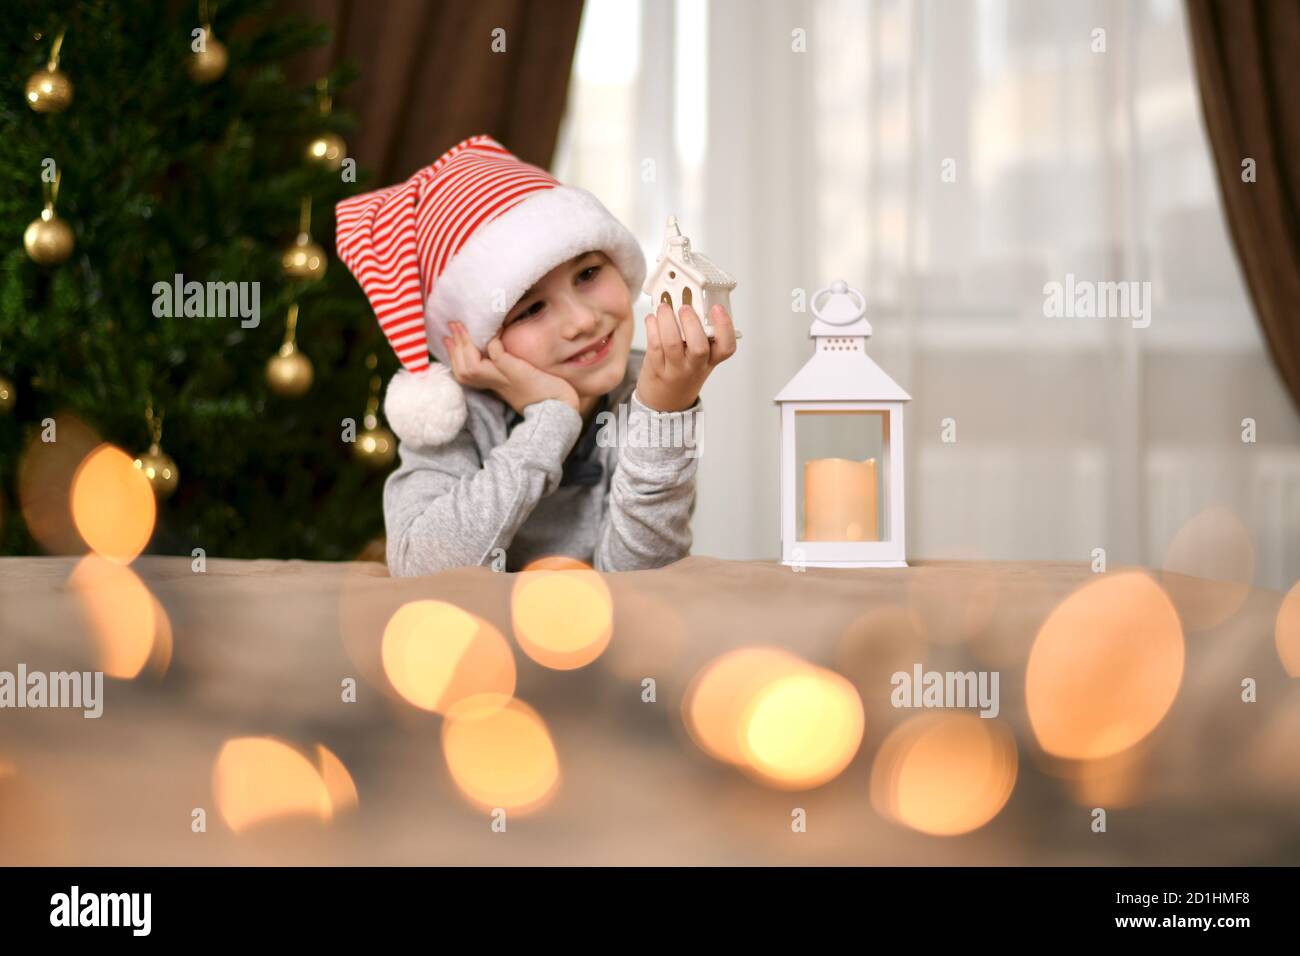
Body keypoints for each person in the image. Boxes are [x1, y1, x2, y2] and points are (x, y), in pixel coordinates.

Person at [335, 134, 738, 575]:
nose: (581, 321)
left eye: (587, 273)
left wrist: (664, 412)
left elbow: (642, 581)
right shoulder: (453, 416)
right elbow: (423, 569)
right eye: (530, 309)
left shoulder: (645, 390)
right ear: (476, 342)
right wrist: (552, 417)